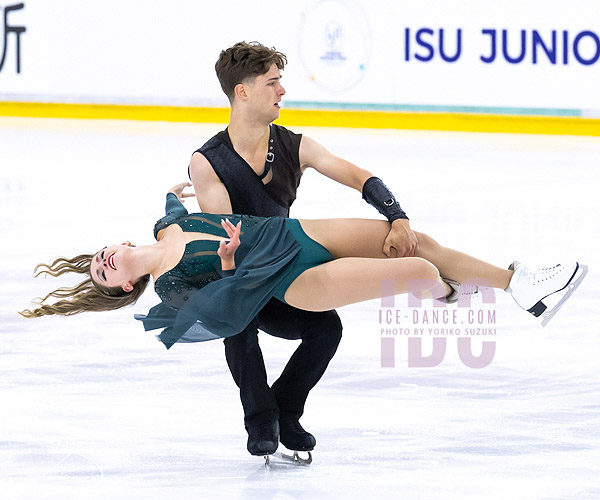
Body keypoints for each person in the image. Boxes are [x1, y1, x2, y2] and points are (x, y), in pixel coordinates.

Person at [21, 182, 586, 376]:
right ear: (124, 287)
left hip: (293, 234)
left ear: (118, 244)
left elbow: (173, 202)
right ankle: (445, 293)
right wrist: (223, 264)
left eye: (100, 257)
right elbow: (222, 315)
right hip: (290, 283)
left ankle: (523, 287)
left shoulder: (165, 223)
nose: (105, 264)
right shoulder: (168, 290)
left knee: (416, 242)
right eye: (104, 275)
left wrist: (179, 187)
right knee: (419, 270)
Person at [188, 41, 422, 457]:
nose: (282, 91)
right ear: (242, 92)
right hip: (236, 275)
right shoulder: (208, 162)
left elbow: (354, 174)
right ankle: (260, 421)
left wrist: (396, 214)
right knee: (236, 320)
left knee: (326, 329)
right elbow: (227, 238)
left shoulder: (295, 146)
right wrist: (234, 279)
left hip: (283, 274)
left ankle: (286, 411)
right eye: (273, 83)